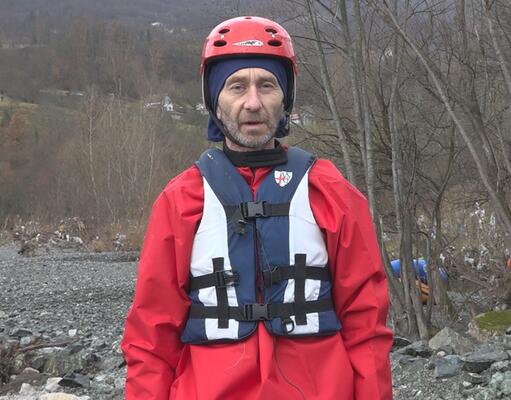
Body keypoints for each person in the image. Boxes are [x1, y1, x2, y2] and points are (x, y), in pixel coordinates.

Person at [121, 16, 392, 400]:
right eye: (236, 86)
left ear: (285, 99)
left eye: (267, 85)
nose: (253, 102)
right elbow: (150, 338)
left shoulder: (330, 192)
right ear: (215, 102)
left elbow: (367, 327)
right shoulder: (180, 200)